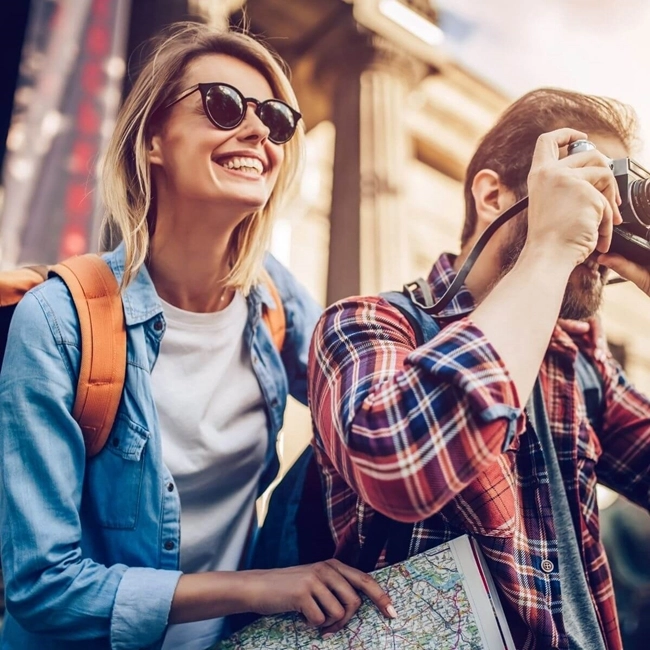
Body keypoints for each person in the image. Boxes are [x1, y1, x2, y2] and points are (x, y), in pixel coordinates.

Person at [0, 22, 393, 650]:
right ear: (153, 139)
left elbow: (379, 417)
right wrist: (268, 587)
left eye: (275, 118)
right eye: (223, 105)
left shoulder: (275, 303)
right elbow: (43, 586)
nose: (258, 131)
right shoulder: (57, 322)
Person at [307, 87, 650, 650]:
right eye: (587, 190)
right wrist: (549, 248)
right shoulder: (365, 324)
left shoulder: (579, 364)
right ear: (493, 195)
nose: (599, 224)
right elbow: (399, 464)